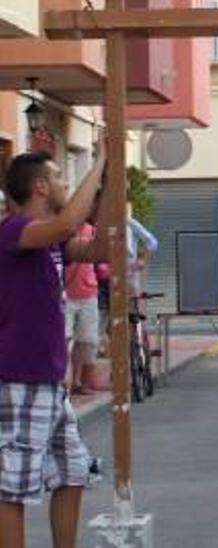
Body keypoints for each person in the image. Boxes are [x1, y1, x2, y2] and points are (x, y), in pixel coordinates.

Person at [1, 147, 106, 547]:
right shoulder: (15, 231)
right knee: (12, 486)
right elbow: (66, 225)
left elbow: (97, 248)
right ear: (41, 186)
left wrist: (111, 182)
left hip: (48, 379)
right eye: (60, 176)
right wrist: (97, 163)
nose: (65, 182)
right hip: (20, 376)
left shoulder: (50, 243)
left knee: (73, 471)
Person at [63, 223, 99, 394]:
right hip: (65, 294)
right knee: (64, 341)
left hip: (88, 293)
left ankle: (82, 383)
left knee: (88, 341)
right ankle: (65, 384)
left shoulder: (91, 229)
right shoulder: (61, 229)